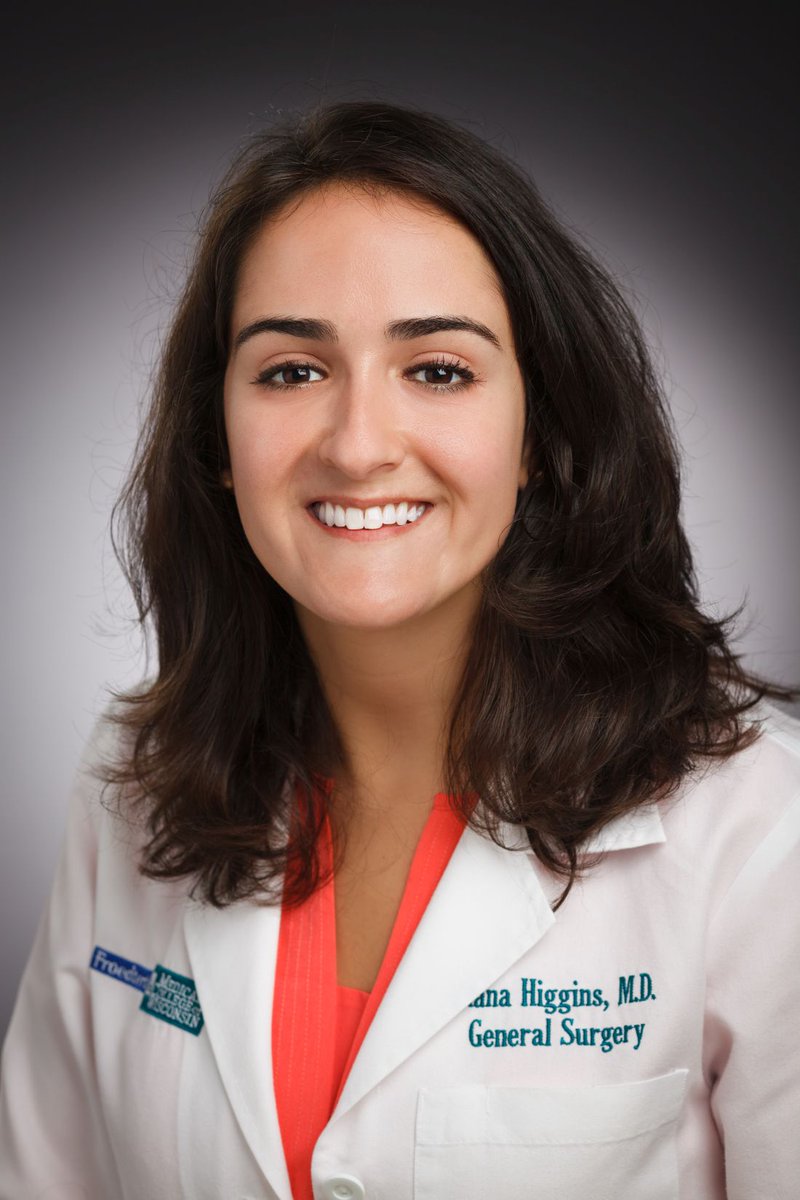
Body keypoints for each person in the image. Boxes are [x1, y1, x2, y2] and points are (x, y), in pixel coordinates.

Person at [0, 99, 798, 1200]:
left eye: (437, 370)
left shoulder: (756, 825)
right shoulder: (132, 785)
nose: (359, 445)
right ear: (216, 439)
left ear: (539, 434)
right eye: (292, 371)